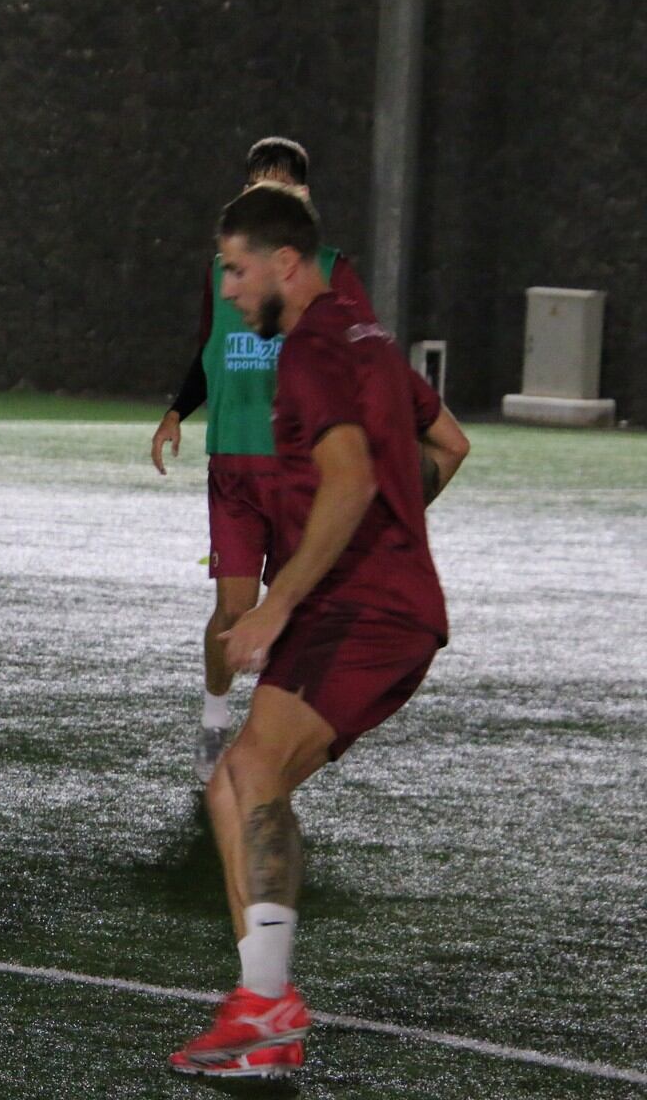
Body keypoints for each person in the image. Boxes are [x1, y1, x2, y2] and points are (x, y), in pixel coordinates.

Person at [167, 183, 469, 1080]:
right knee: (238, 785)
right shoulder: (365, 338)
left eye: (235, 266)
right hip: (383, 602)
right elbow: (449, 445)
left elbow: (349, 481)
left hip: (362, 611)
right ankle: (266, 1013)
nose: (226, 288)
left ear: (283, 264)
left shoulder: (305, 353)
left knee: (249, 773)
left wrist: (279, 600)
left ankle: (267, 1008)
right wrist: (398, 531)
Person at [151, 138, 381, 784]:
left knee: (295, 606)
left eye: (284, 188)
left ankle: (275, 735)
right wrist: (177, 412)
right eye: (260, 186)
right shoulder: (223, 272)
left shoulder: (331, 272)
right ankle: (214, 716)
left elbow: (364, 354)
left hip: (302, 469)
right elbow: (210, 347)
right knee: (233, 608)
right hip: (234, 466)